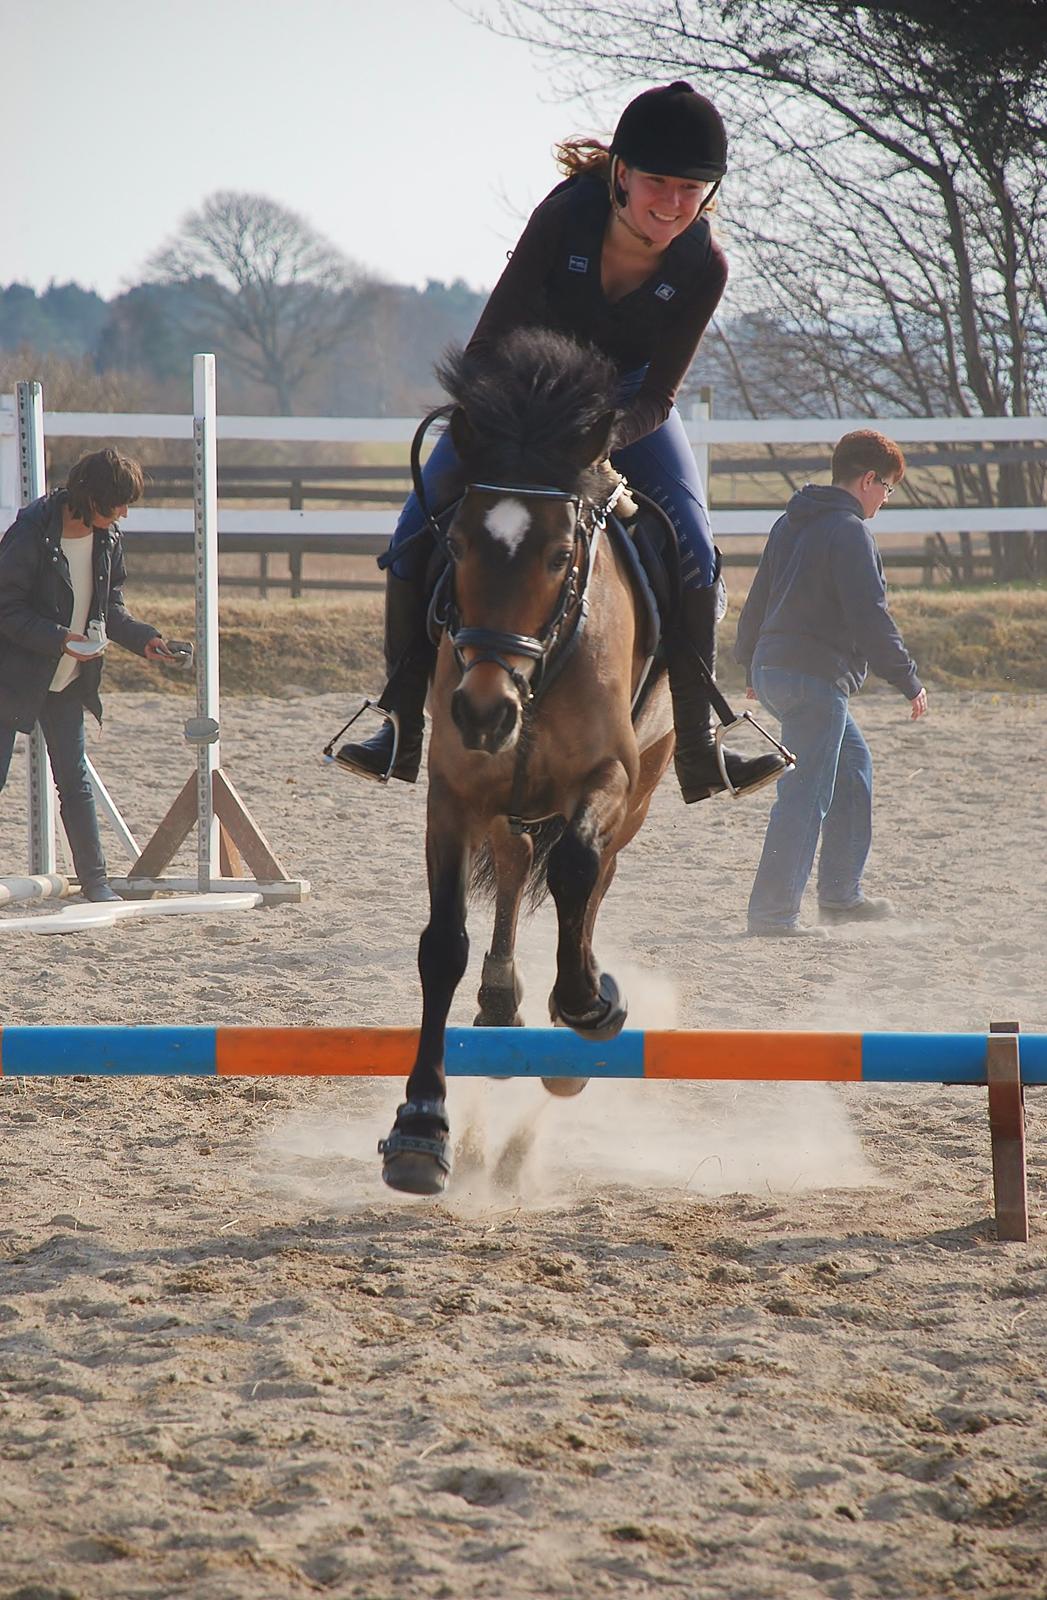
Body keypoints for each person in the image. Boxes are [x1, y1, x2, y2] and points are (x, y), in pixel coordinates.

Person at [336, 80, 787, 803]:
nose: (673, 203)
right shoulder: (565, 218)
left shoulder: (704, 266)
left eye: (691, 189)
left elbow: (658, 394)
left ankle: (701, 749)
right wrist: (514, 422)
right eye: (657, 184)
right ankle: (399, 725)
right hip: (519, 397)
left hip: (620, 412)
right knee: (415, 529)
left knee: (696, 550)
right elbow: (486, 346)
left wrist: (597, 438)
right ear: (620, 174)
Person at [735, 429, 928, 938]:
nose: (885, 499)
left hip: (776, 670)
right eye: (886, 488)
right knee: (805, 795)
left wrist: (750, 660)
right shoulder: (850, 531)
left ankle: (841, 896)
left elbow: (760, 594)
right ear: (868, 479)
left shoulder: (790, 522)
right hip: (813, 679)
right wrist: (907, 678)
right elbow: (870, 615)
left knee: (853, 769)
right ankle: (772, 915)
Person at [0, 448, 183, 902]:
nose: (123, 513)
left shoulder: (108, 538)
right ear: (89, 496)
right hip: (12, 674)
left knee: (75, 782)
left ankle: (96, 884)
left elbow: (111, 608)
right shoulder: (29, 534)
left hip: (66, 679)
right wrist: (60, 638)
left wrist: (145, 640)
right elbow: (6, 610)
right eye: (117, 503)